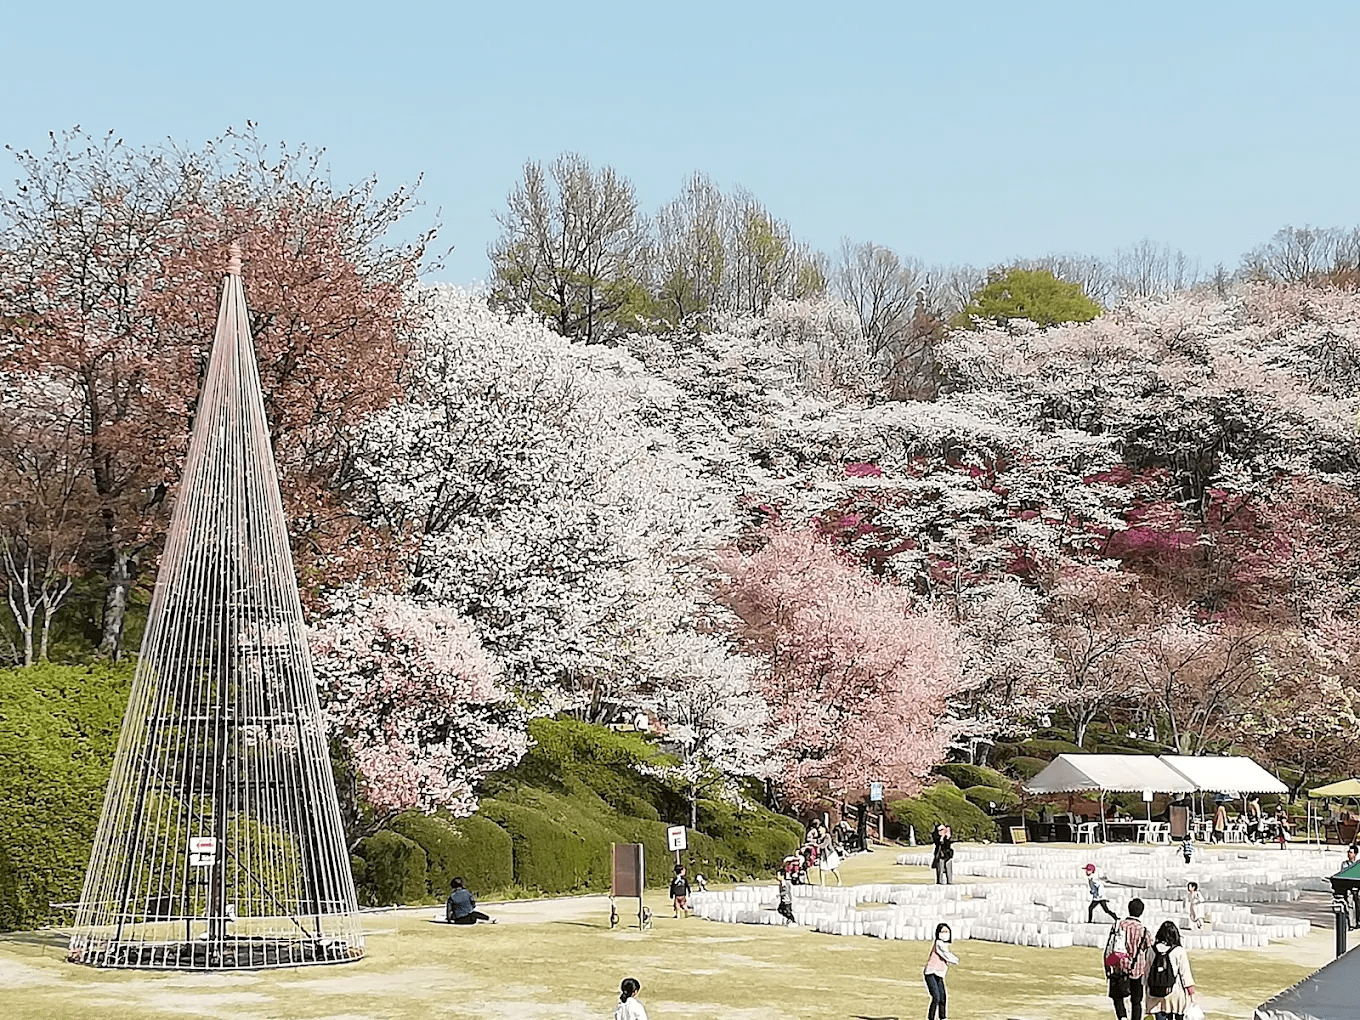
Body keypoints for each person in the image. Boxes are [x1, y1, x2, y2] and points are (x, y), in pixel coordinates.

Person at [1103, 897, 1152, 1020]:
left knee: (1117, 996)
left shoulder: (1119, 926)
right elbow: (1149, 947)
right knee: (1136, 1001)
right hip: (1136, 969)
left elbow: (1110, 945)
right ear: (1141, 912)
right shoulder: (1143, 930)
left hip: (1118, 967)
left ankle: (1122, 1017)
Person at [1145, 920, 1197, 1020]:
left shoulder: (1151, 950)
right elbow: (1185, 974)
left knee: (1160, 1015)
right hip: (1175, 991)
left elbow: (1147, 972)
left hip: (1155, 991)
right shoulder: (1179, 951)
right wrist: (1191, 993)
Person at [922, 922, 959, 1020]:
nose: (945, 933)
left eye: (946, 931)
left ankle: (943, 1017)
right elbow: (945, 954)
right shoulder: (939, 943)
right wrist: (955, 960)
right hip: (931, 973)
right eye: (942, 931)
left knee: (943, 997)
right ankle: (931, 1018)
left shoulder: (944, 945)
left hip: (938, 974)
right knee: (936, 997)